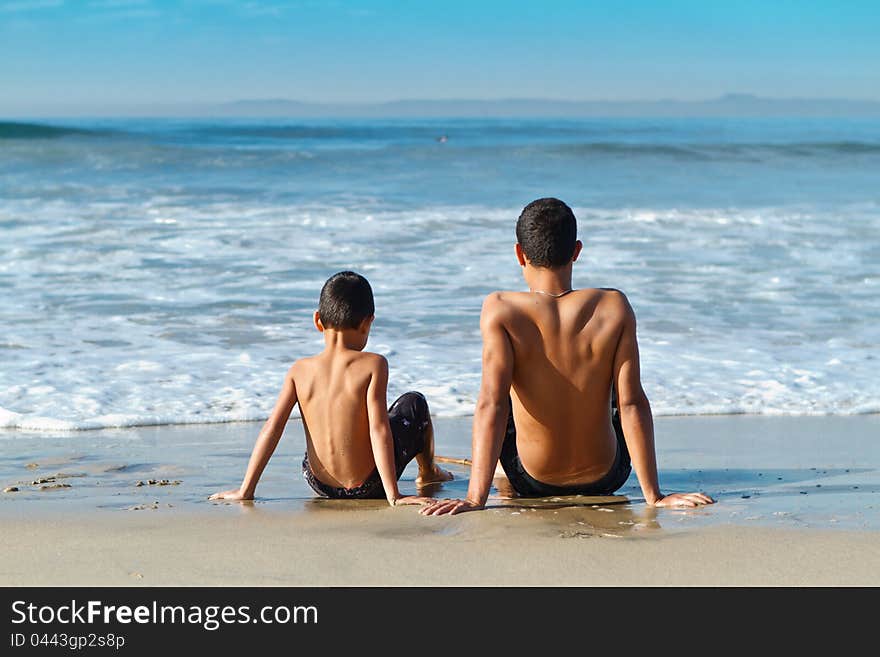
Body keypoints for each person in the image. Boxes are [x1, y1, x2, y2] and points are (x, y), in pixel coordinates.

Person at [421, 198, 714, 515]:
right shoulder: (613, 306)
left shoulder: (500, 309)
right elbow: (632, 403)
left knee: (503, 394)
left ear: (520, 254)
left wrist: (475, 499)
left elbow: (491, 405)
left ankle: (502, 476)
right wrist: (654, 496)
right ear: (576, 251)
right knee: (615, 389)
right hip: (607, 477)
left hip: (531, 479)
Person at [210, 271, 452, 505]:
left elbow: (273, 428)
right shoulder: (374, 364)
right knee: (413, 403)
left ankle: (251, 487)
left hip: (319, 482)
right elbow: (378, 429)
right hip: (369, 484)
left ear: (318, 320)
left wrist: (246, 489)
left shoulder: (299, 370)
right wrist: (393, 495)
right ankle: (428, 471)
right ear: (367, 323)